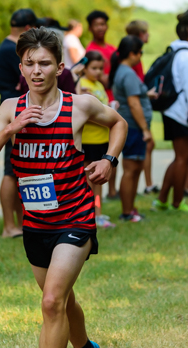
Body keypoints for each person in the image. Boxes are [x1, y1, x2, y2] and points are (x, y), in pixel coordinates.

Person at [0, 27, 127, 348]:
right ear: (20, 66)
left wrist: (109, 161)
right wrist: (11, 128)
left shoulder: (80, 105)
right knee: (63, 301)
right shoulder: (10, 108)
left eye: (45, 64)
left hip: (75, 216)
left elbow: (119, 124)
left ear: (60, 67)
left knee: (50, 300)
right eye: (29, 64)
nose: (37, 71)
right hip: (37, 223)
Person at [0, 8, 39, 238]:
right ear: (28, 28)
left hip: (17, 110)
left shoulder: (5, 48)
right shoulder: (11, 51)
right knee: (11, 171)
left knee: (19, 170)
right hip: (14, 112)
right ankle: (8, 226)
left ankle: (20, 223)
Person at [109, 35, 156, 222]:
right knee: (131, 169)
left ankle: (130, 208)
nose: (141, 56)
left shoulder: (123, 71)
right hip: (134, 128)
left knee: (135, 169)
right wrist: (145, 129)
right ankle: (127, 212)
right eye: (140, 52)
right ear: (132, 54)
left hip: (134, 127)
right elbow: (134, 104)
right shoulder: (127, 73)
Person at [152, 12, 188, 212]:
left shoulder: (175, 51)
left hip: (173, 111)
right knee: (183, 157)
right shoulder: (185, 55)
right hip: (182, 113)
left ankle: (163, 199)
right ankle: (177, 202)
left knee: (180, 157)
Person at [80, 51, 115, 228]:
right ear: (84, 67)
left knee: (99, 179)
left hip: (102, 138)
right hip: (89, 140)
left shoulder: (99, 85)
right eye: (93, 68)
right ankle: (88, 214)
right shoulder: (81, 85)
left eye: (100, 68)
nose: (98, 72)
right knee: (88, 180)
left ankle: (98, 213)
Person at [86, 10, 118, 200]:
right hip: (95, 122)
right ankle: (93, 205)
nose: (101, 27)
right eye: (97, 24)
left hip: (110, 106)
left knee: (110, 159)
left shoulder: (112, 49)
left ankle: (112, 193)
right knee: (92, 167)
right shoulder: (89, 50)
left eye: (103, 23)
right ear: (90, 27)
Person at [126, 20, 159, 195]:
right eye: (145, 32)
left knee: (148, 146)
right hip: (134, 113)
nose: (148, 35)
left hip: (140, 109)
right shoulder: (133, 59)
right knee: (146, 146)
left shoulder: (134, 58)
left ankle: (147, 183)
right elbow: (133, 92)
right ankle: (147, 184)